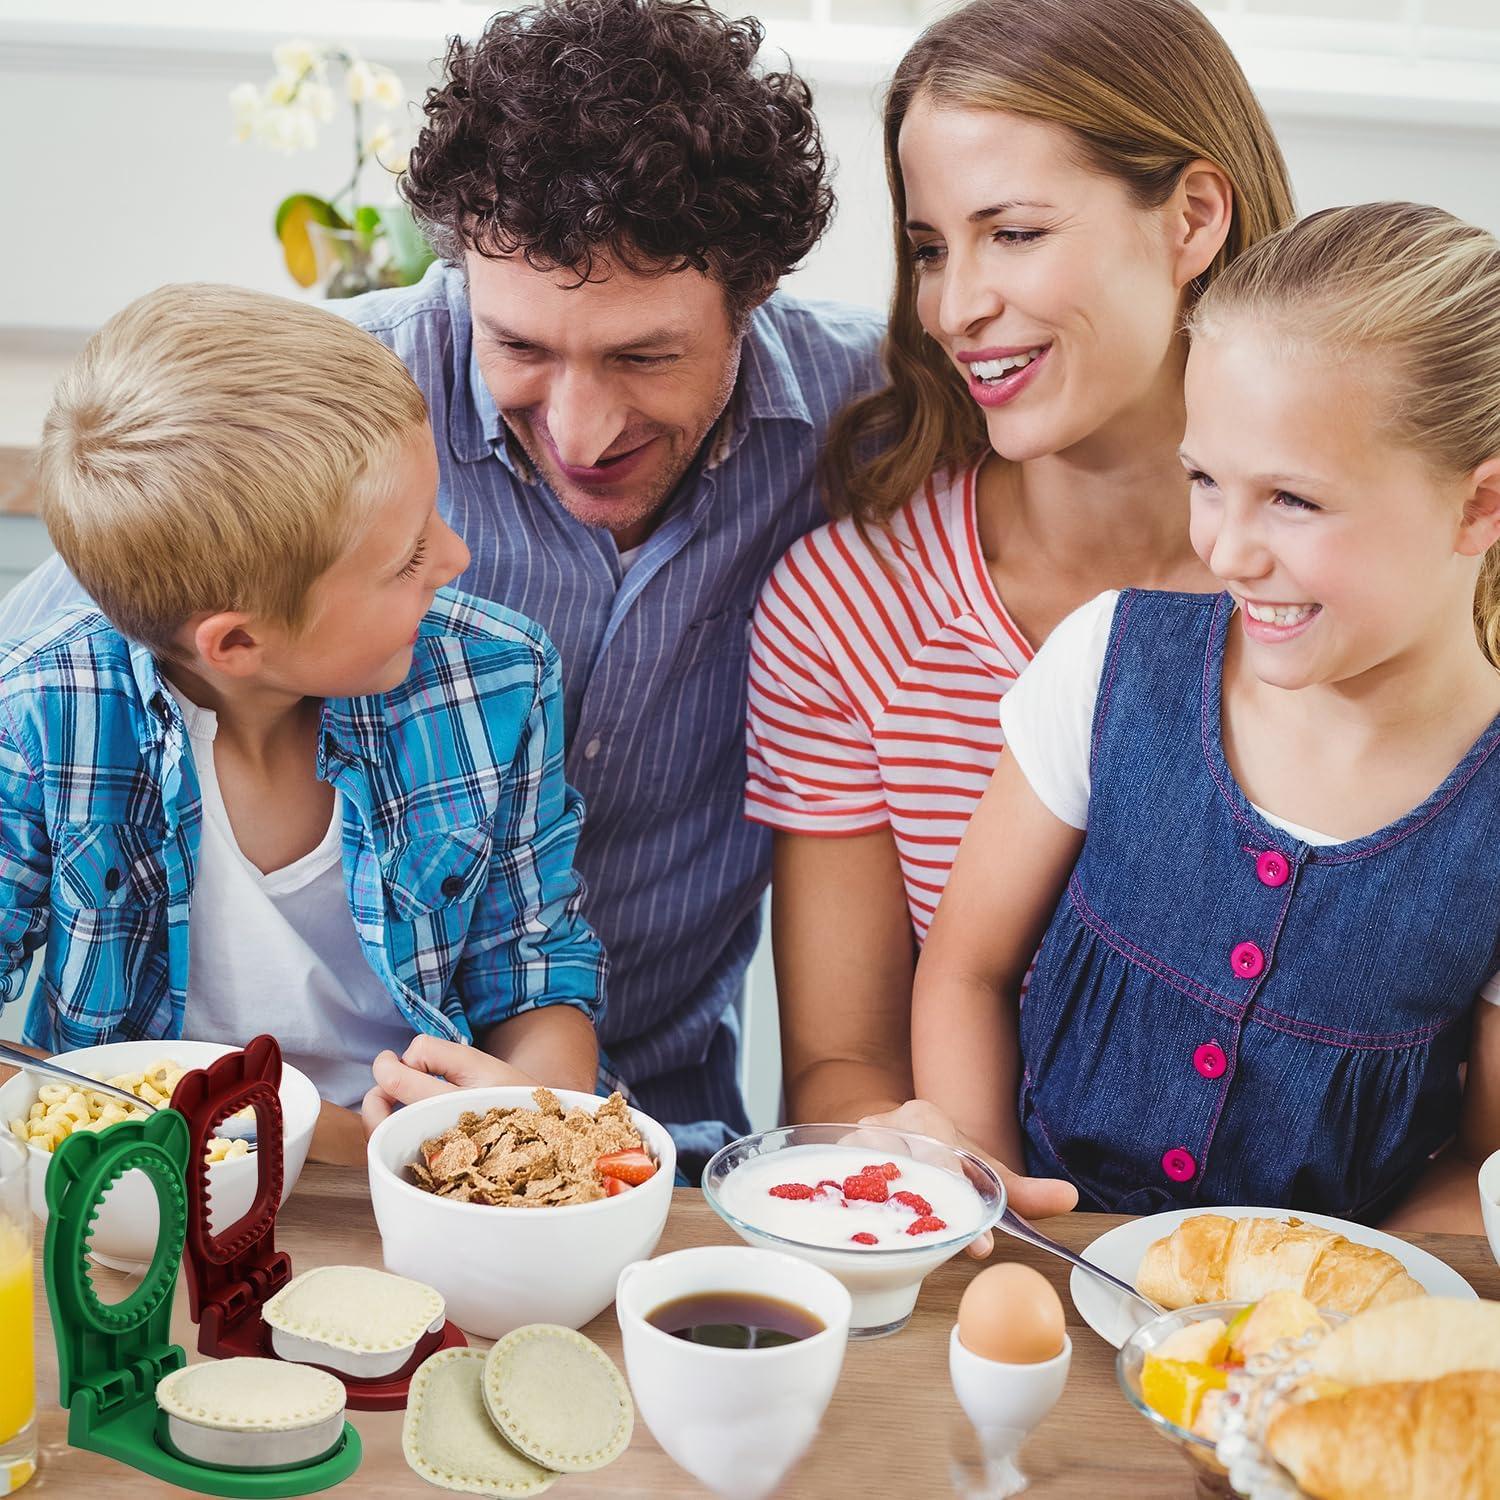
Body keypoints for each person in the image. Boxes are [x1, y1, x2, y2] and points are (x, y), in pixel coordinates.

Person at [0, 0, 884, 1176]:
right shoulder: (326, 424)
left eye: (645, 356)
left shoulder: (868, 420)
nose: (580, 430)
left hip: (630, 1126)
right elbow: (100, 636)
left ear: (753, 297)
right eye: (517, 346)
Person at [745, 0, 1295, 1159]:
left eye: (1017, 233)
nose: (955, 306)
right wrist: (953, 1180)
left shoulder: (1353, 586)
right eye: (933, 247)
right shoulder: (851, 605)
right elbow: (844, 1062)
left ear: (1192, 217)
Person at [912, 201, 1500, 1234]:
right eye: (1205, 481)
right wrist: (999, 1218)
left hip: (1310, 1351)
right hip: (1041, 1263)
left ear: (1481, 506)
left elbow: (1480, 1162)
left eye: (1294, 501)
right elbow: (966, 970)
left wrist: (1325, 1321)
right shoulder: (1109, 660)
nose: (1227, 551)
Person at [0, 284, 606, 1163]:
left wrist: (537, 1113)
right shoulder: (41, 716)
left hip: (414, 1178)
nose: (455, 556)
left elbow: (535, 970)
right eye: (404, 559)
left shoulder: (496, 681)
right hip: (138, 1185)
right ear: (239, 642)